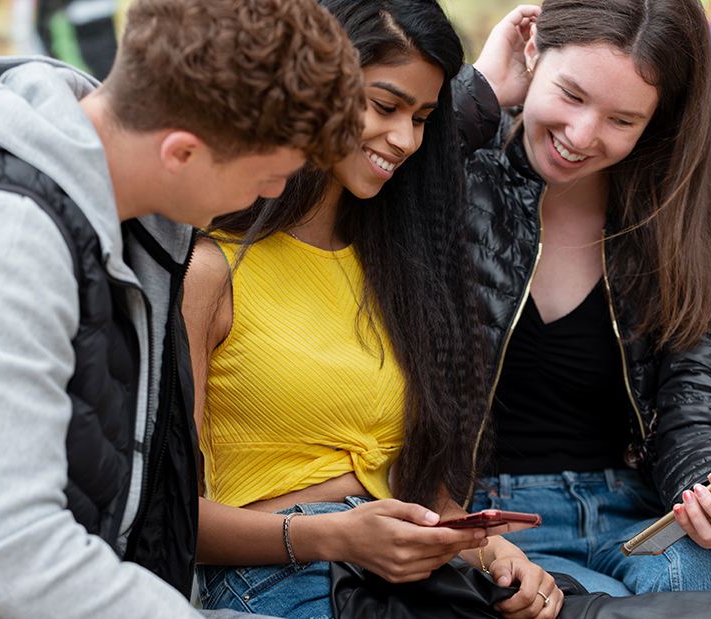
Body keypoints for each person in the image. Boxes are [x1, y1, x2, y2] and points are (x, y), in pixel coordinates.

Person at [0, 0, 363, 615]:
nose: (273, 192)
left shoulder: (129, 218)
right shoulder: (3, 238)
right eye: (269, 173)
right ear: (182, 153)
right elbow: (12, 553)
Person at [183, 1, 563, 618]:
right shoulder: (211, 269)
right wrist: (336, 534)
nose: (405, 139)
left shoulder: (396, 268)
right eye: (385, 107)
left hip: (401, 574)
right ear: (312, 88)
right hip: (278, 575)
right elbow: (172, 515)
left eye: (422, 118)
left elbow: (418, 493)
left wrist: (489, 552)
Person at [456, 1, 711, 616]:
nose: (582, 136)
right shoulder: (450, 175)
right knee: (603, 605)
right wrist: (475, 93)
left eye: (622, 119)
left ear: (657, 121)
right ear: (531, 53)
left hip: (634, 514)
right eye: (571, 94)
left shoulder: (682, 223)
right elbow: (349, 173)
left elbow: (700, 396)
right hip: (482, 518)